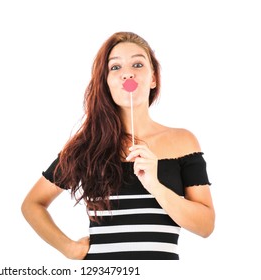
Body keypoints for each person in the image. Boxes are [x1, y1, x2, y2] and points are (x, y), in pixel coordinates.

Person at [21, 31, 215, 260]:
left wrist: (155, 185)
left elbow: (205, 226)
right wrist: (69, 248)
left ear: (153, 78)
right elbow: (32, 204)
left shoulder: (183, 142)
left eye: (138, 64)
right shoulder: (87, 146)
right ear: (106, 81)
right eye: (115, 67)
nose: (127, 74)